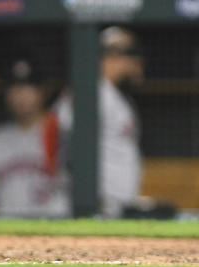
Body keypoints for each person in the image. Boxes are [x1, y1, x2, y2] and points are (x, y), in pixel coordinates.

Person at [55, 26, 143, 217]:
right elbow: (67, 142)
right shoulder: (89, 90)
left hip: (118, 204)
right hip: (98, 205)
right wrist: (90, 196)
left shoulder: (113, 95)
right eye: (131, 55)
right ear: (113, 56)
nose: (137, 62)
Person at [0, 60, 69, 217]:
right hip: (8, 231)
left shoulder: (62, 133)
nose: (21, 95)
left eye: (28, 88)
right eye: (15, 88)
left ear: (43, 91)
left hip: (55, 227)